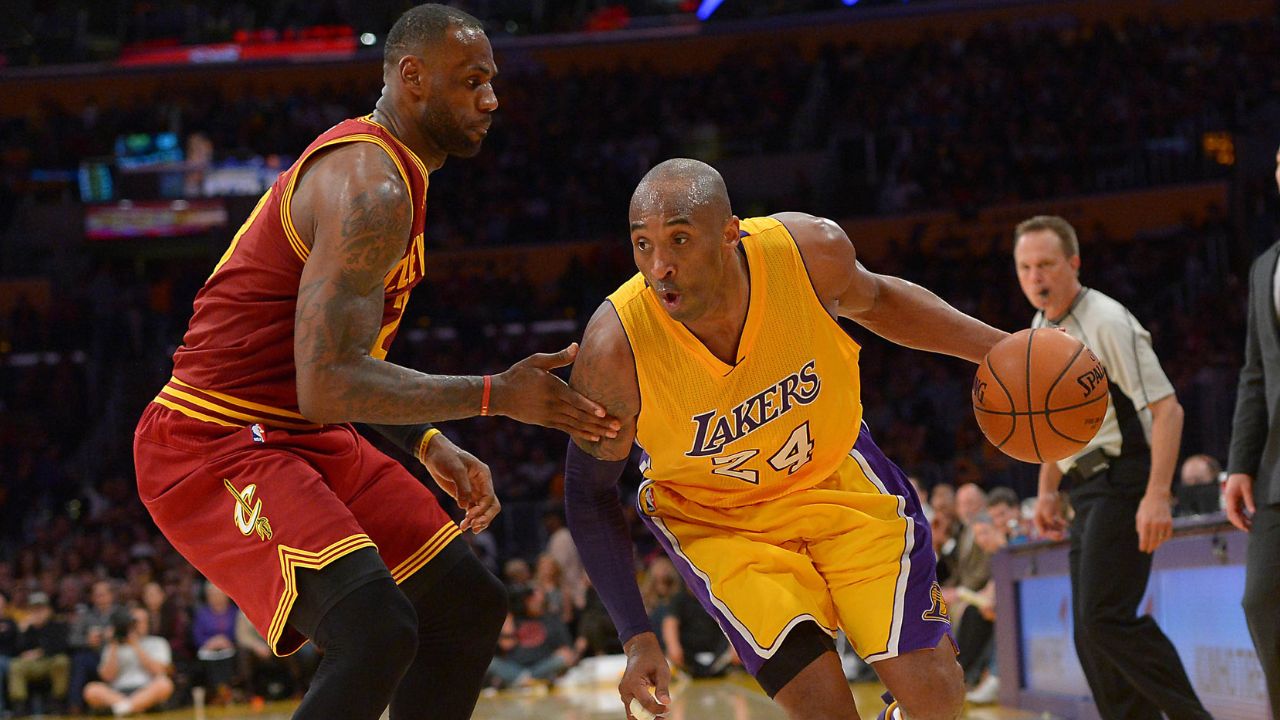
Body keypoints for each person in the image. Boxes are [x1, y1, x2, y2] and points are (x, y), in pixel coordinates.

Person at [130, 5, 618, 720]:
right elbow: (327, 382)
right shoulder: (372, 184)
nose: (492, 99)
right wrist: (494, 394)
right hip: (215, 437)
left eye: (492, 80)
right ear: (412, 78)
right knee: (374, 630)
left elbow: (337, 368)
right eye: (472, 80)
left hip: (302, 431)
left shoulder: (393, 177)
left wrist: (428, 441)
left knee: (468, 607)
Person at [564, 158, 1008, 720]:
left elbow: (881, 301)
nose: (661, 266)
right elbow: (587, 489)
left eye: (679, 239)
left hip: (838, 479)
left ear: (731, 234)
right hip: (720, 523)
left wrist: (1000, 349)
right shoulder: (614, 347)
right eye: (643, 245)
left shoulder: (808, 252)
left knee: (938, 701)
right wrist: (635, 634)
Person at [1013, 215, 1210, 719]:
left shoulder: (1107, 320)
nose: (1037, 277)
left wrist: (1157, 494)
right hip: (1086, 486)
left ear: (1073, 263)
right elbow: (1053, 429)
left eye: (1047, 265)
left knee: (1104, 619)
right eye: (1026, 267)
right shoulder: (1039, 330)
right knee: (1090, 633)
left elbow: (1169, 410)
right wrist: (1048, 490)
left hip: (1126, 477)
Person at [1226, 145, 1280, 714]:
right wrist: (1240, 463)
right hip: (1275, 471)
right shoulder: (1266, 266)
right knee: (1262, 602)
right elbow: (1255, 376)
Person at [83, 608, 174, 717]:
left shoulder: (158, 642)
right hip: (116, 693)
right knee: (91, 689)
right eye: (133, 622)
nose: (136, 626)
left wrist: (135, 645)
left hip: (147, 690)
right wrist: (113, 644)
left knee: (164, 684)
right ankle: (133, 707)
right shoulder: (112, 646)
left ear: (148, 623)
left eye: (140, 622)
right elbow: (107, 677)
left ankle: (125, 708)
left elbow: (159, 672)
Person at [8, 593, 70, 716]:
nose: (38, 612)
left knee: (62, 661)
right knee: (15, 665)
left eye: (41, 609)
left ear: (49, 610)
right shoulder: (25, 627)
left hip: (50, 662)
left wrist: (40, 652)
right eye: (34, 609)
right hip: (31, 665)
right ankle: (19, 705)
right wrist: (21, 631)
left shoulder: (57, 625)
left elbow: (63, 647)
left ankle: (57, 702)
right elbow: (15, 651)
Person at [67, 580, 122, 715]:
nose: (100, 598)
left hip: (118, 655)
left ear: (111, 595)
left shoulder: (121, 613)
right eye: (97, 595)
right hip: (95, 658)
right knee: (80, 659)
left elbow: (133, 634)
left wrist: (114, 637)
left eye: (103, 594)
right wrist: (87, 641)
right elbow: (72, 639)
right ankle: (75, 707)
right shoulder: (86, 616)